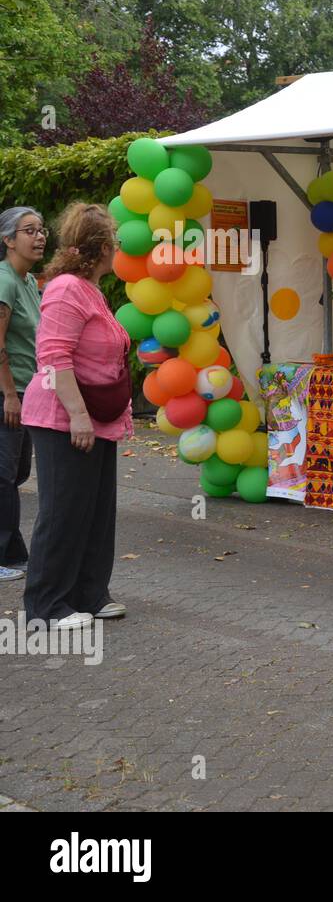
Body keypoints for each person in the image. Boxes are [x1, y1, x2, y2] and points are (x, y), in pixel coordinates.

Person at [22, 203, 132, 630]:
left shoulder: (91, 289)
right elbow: (53, 357)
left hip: (95, 414)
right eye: (117, 243)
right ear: (103, 247)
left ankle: (89, 593)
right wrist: (78, 416)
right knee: (64, 509)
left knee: (97, 510)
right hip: (62, 415)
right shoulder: (67, 288)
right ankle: (46, 607)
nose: (120, 250)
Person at [0, 207, 44, 583]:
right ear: (8, 240)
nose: (40, 236)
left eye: (41, 229)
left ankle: (12, 552)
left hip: (29, 392)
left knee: (17, 472)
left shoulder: (28, 281)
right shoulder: (4, 282)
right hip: (7, 393)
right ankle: (5, 554)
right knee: (3, 475)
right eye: (29, 230)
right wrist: (10, 394)